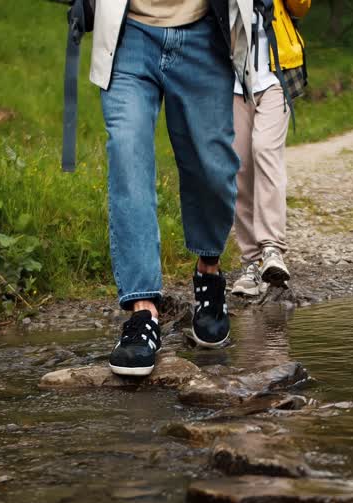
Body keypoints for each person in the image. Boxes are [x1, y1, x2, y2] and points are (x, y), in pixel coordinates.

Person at [90, 0, 255, 376]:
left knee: (213, 167)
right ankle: (142, 313)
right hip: (128, 34)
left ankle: (208, 271)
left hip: (204, 32)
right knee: (127, 154)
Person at [229, 0, 309, 298]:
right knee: (239, 166)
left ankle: (272, 249)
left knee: (265, 150)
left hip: (276, 75)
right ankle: (251, 262)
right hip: (233, 79)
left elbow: (301, 7)